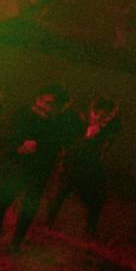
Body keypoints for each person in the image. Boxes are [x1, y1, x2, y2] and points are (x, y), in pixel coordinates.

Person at [0, 84, 81, 250]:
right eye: (43, 101)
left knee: (29, 205)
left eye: (51, 104)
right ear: (38, 99)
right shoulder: (22, 113)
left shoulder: (61, 122)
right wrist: (18, 147)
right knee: (1, 198)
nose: (45, 106)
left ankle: (16, 243)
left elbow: (64, 141)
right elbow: (4, 133)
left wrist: (42, 144)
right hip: (16, 162)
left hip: (39, 167)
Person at [46, 96, 122, 237]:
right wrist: (86, 137)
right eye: (98, 114)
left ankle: (89, 233)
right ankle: (47, 223)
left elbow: (106, 148)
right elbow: (69, 143)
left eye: (105, 116)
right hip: (73, 164)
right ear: (93, 111)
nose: (100, 118)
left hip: (91, 168)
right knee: (60, 194)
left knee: (96, 202)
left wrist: (99, 134)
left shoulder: (110, 127)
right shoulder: (78, 120)